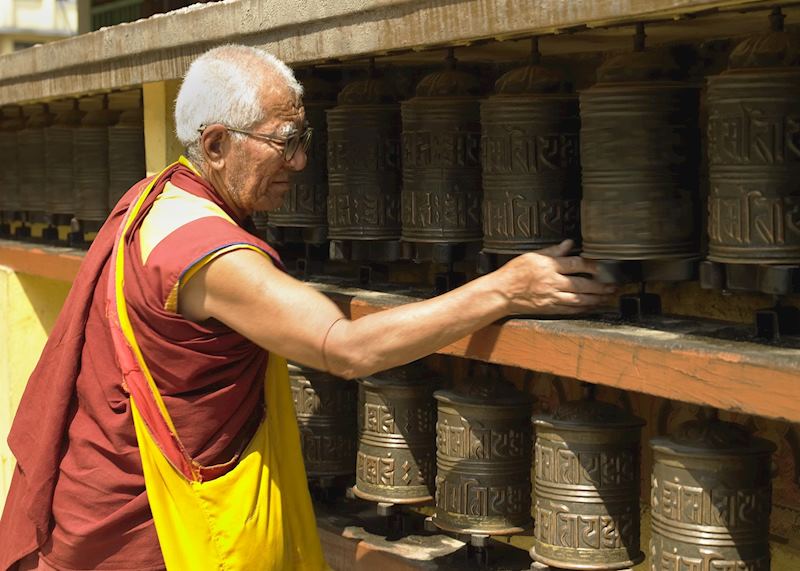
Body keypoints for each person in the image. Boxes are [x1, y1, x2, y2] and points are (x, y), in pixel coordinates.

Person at [0, 44, 612, 570]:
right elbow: (343, 348)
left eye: (302, 140)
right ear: (215, 143)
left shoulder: (153, 199)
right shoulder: (208, 254)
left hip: (104, 499)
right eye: (283, 142)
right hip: (155, 529)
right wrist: (504, 289)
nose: (298, 161)